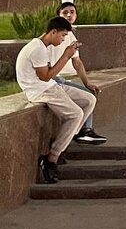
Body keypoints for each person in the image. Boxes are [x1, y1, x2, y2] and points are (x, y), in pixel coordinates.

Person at [16, 16, 96, 183]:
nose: (63, 39)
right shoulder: (37, 49)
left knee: (89, 100)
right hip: (39, 90)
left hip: (50, 85)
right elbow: (45, 77)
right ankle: (51, 158)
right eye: (62, 35)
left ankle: (63, 142)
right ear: (53, 32)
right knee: (75, 115)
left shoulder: (42, 47)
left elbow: (49, 74)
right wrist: (66, 55)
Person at [46, 2, 107, 144]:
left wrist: (87, 83)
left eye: (72, 12)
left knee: (89, 93)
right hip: (54, 80)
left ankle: (81, 132)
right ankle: (83, 131)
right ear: (58, 16)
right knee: (87, 98)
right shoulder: (53, 35)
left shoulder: (70, 36)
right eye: (65, 12)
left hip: (60, 79)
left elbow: (77, 62)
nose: (69, 15)